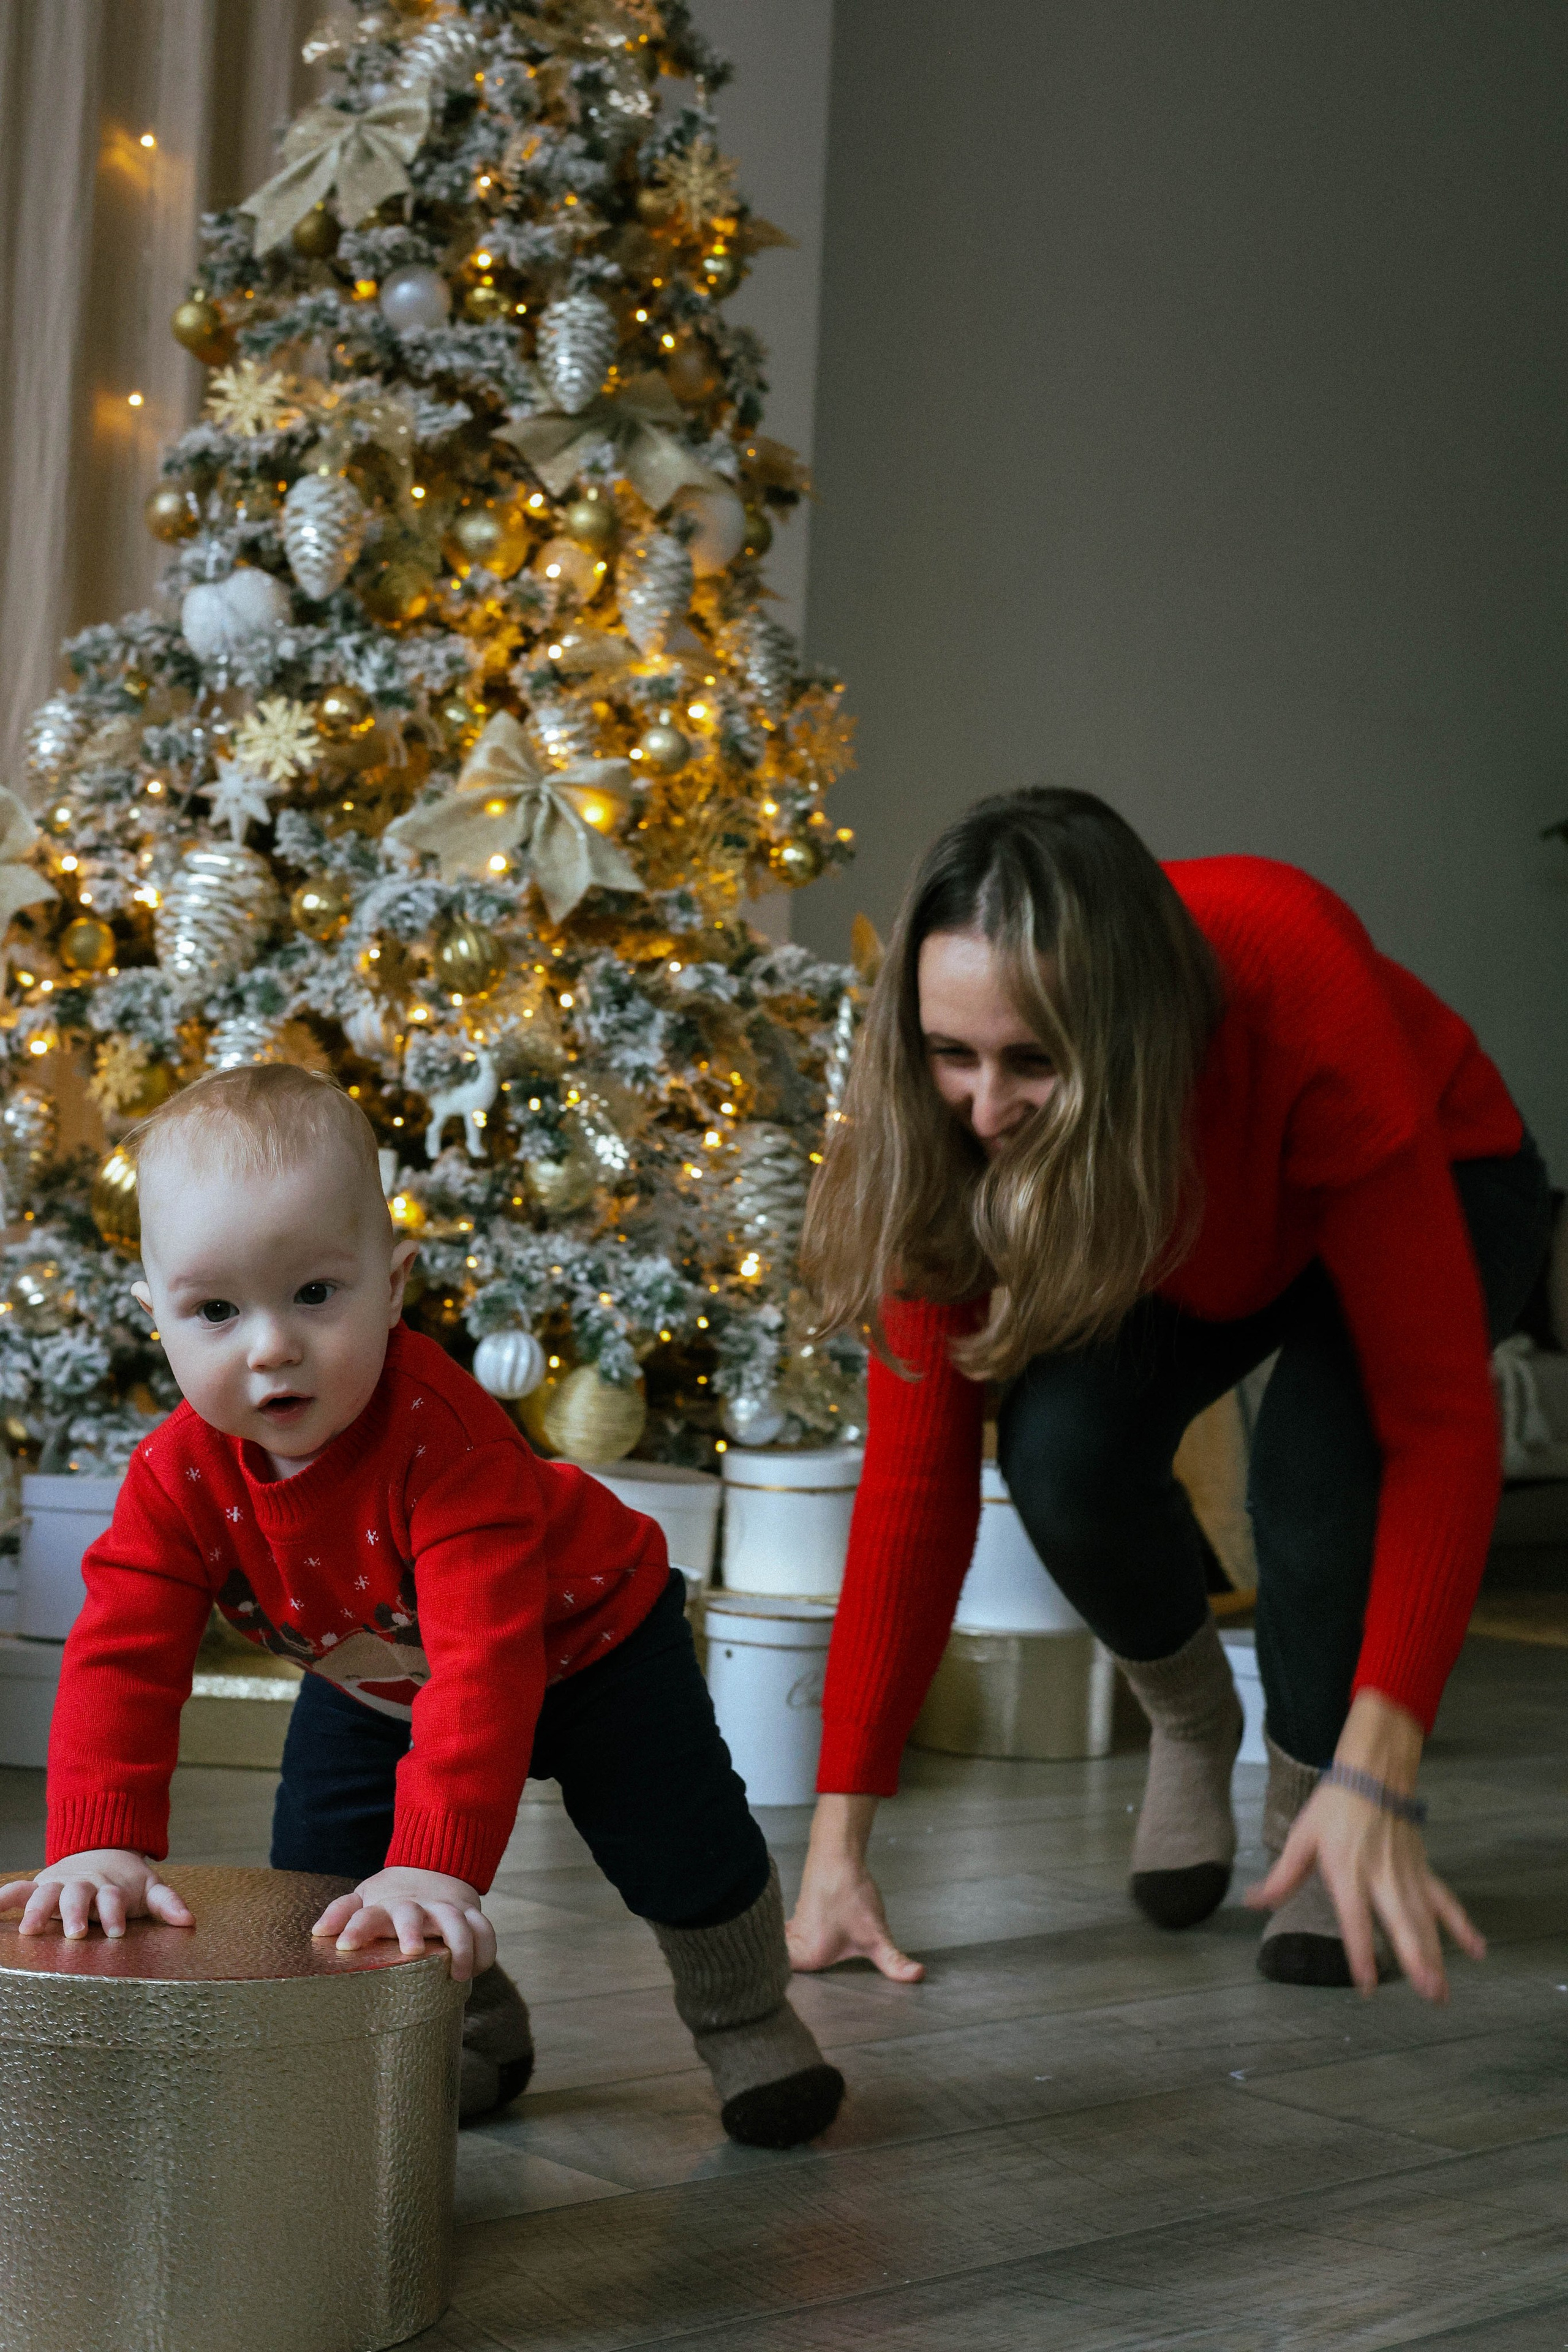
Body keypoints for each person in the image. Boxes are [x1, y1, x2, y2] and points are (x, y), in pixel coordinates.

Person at [787, 787, 1550, 2001]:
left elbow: (1438, 1427)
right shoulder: (955, 1133)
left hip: (1441, 1176)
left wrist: (1377, 1762)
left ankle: (1309, 1794)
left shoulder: (1292, 981)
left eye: (1030, 1059)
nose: (982, 1109)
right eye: (951, 1053)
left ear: (1123, 1034)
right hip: (1166, 1199)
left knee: (1315, 1466)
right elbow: (914, 1488)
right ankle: (1194, 1725)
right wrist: (836, 1848)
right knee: (1058, 1453)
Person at [0, 1065, 843, 2149]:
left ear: (393, 1285)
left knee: (682, 1844)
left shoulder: (446, 1443)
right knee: (322, 1869)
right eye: (215, 1310)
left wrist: (437, 1858)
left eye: (315, 1294)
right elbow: (123, 1656)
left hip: (589, 1644)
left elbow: (487, 1669)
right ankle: (471, 2027)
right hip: (375, 1679)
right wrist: (98, 1840)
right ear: (153, 1314)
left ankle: (748, 2021)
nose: (270, 1346)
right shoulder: (178, 1477)